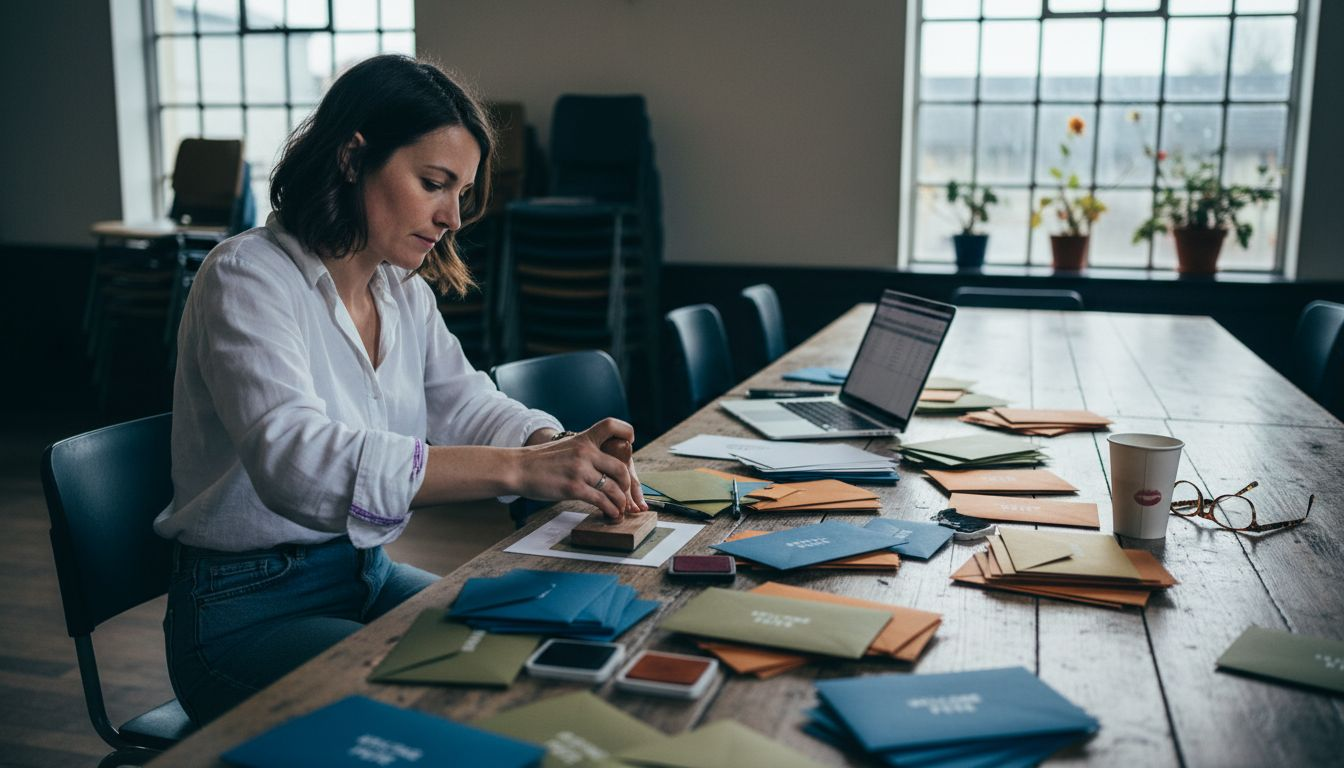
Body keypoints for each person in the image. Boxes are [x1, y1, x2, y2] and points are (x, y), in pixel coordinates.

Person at [153, 54, 646, 725]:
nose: (452, 216)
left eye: (462, 193)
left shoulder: (397, 287)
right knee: (440, 704)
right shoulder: (246, 276)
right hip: (240, 614)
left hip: (362, 576)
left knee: (539, 651)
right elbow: (297, 462)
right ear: (353, 158)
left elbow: (464, 401)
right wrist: (520, 468)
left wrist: (553, 446)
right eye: (434, 183)